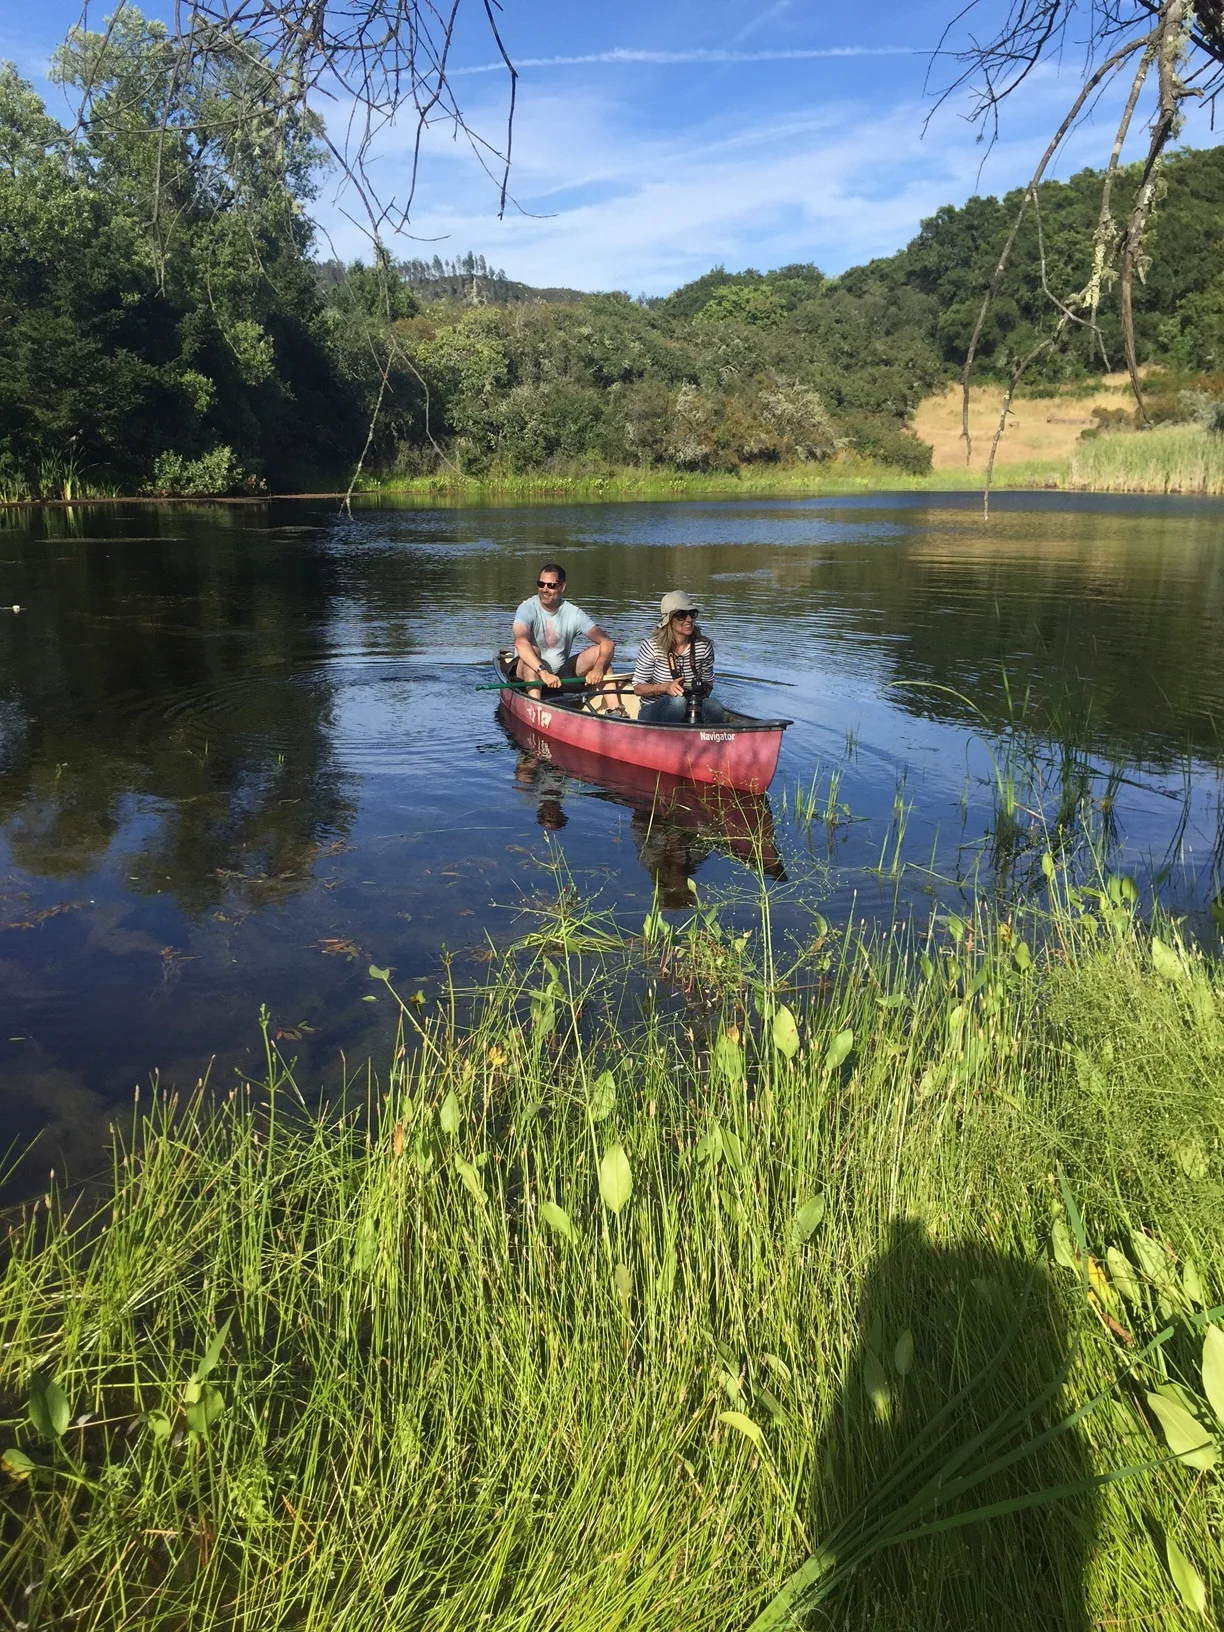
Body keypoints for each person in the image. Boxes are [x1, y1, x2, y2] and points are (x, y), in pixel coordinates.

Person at [511, 563, 616, 702]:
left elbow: (607, 642)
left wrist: (598, 668)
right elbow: (520, 643)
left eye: (551, 585)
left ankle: (615, 710)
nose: (545, 589)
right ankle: (535, 705)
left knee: (601, 653)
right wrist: (543, 672)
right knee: (533, 650)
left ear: (563, 587)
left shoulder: (574, 613)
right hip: (527, 676)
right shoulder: (526, 608)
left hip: (559, 678)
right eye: (541, 584)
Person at [632, 591, 730, 724]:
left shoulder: (704, 646)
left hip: (692, 707)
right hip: (653, 710)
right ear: (669, 620)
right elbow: (638, 688)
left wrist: (700, 690)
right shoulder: (652, 646)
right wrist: (665, 687)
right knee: (678, 703)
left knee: (714, 707)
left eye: (692, 614)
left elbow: (708, 682)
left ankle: (706, 736)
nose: (689, 620)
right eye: (681, 615)